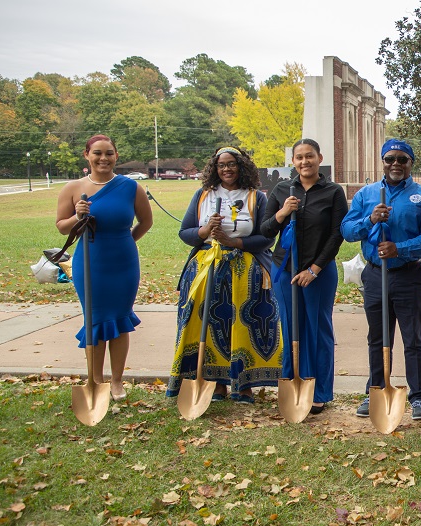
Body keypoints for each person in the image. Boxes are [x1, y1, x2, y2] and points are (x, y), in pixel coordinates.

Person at [166, 147, 282, 403]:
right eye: (222, 165)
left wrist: (233, 241)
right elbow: (185, 232)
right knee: (209, 324)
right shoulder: (203, 195)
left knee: (243, 325)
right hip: (208, 266)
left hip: (246, 271)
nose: (227, 169)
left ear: (242, 166)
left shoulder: (255, 197)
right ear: (215, 169)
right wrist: (206, 229)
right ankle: (214, 383)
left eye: (232, 164)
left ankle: (244, 385)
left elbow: (266, 236)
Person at [342, 139, 421, 420]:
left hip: (408, 274)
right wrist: (370, 220)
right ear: (382, 161)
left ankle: (419, 396)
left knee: (413, 338)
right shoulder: (366, 194)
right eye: (390, 159)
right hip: (375, 275)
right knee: (377, 337)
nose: (395, 164)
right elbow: (348, 230)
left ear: (411, 163)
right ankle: (376, 388)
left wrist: (401, 248)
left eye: (402, 159)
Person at [55, 134, 153, 400]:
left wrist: (126, 241)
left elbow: (145, 221)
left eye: (109, 153)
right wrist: (78, 215)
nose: (103, 158)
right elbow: (62, 226)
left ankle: (117, 381)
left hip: (123, 261)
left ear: (116, 156)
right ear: (87, 155)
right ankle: (95, 380)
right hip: (90, 260)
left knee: (120, 320)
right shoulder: (73, 188)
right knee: (95, 320)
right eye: (97, 153)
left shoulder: (131, 187)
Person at [260, 139, 347, 415]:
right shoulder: (282, 189)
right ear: (293, 161)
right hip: (284, 268)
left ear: (319, 158)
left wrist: (314, 269)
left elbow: (337, 235)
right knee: (290, 326)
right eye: (299, 157)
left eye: (309, 156)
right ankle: (294, 382)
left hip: (318, 271)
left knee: (318, 328)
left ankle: (320, 391)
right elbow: (265, 231)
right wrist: (283, 212)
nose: (304, 162)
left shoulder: (333, 192)